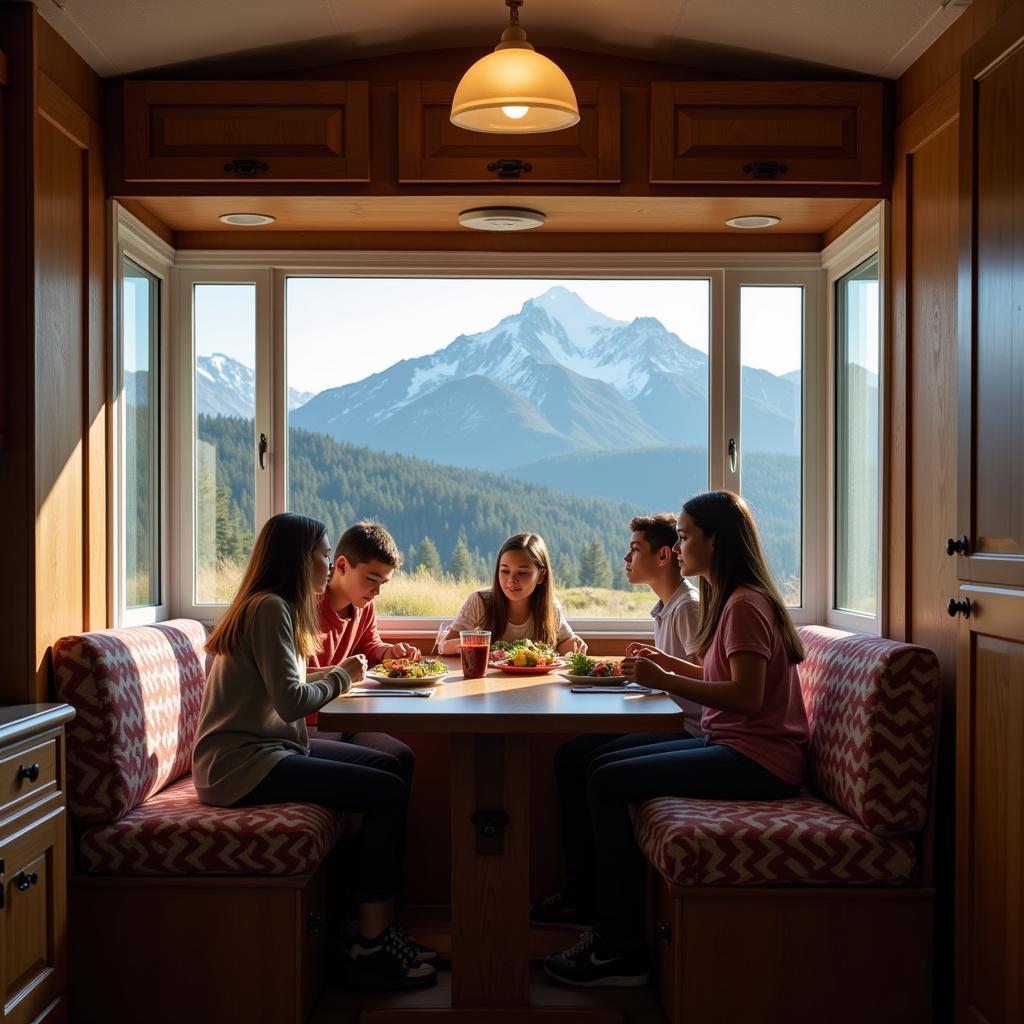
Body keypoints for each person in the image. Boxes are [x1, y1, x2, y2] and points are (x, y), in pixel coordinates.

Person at [542, 491, 809, 988]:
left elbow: (747, 698)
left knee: (604, 781)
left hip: (759, 762)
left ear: (715, 540)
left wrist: (664, 679)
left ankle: (619, 946)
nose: (679, 546)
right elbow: (724, 678)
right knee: (600, 771)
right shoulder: (731, 600)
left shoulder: (744, 605)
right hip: (731, 747)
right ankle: (607, 922)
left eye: (686, 536)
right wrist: (668, 665)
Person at [192, 512, 436, 990]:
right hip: (239, 765)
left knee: (389, 768)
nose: (328, 565)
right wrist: (344, 674)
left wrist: (340, 672)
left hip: (265, 752)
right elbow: (290, 701)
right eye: (323, 554)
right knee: (384, 792)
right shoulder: (270, 609)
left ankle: (365, 924)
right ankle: (371, 942)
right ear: (299, 559)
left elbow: (288, 688)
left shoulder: (276, 606)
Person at [530, 514, 702, 931]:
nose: (626, 557)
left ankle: (600, 907)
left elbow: (700, 680)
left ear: (664, 555)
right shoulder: (668, 607)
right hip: (669, 720)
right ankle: (581, 892)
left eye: (635, 549)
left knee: (590, 767)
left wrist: (654, 676)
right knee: (572, 756)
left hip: (689, 729)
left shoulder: (688, 607)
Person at [307, 521, 419, 786]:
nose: (377, 591)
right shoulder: (307, 608)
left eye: (384, 583)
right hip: (310, 724)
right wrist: (340, 674)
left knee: (402, 757)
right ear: (342, 566)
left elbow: (370, 645)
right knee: (386, 769)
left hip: (344, 716)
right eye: (371, 580)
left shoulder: (364, 607)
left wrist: (389, 653)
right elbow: (289, 680)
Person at [438, 532, 587, 656]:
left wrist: (575, 645)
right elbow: (444, 646)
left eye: (522, 573)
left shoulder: (550, 606)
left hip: (534, 685)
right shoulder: (480, 601)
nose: (511, 580)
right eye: (505, 571)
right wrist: (476, 643)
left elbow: (565, 644)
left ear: (541, 576)